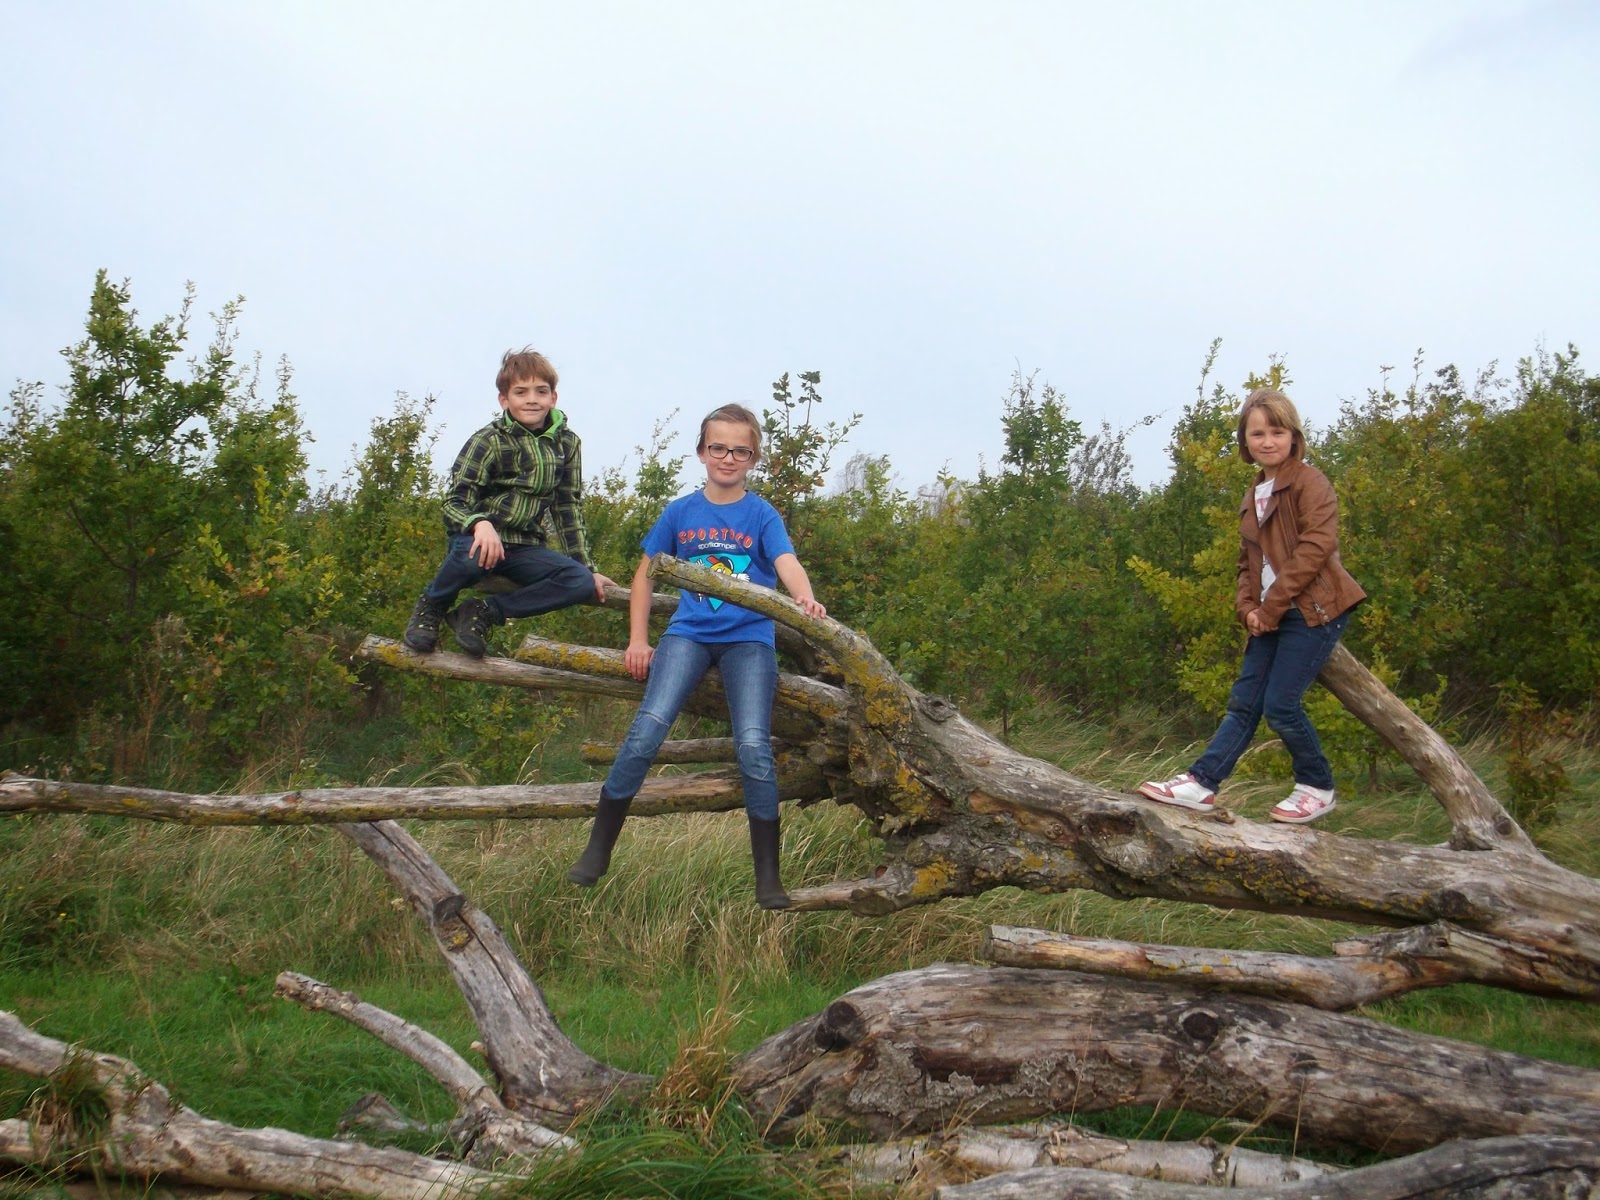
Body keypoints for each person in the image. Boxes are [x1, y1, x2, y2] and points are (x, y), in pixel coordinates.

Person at [567, 403, 826, 909]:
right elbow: (646, 574)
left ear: (753, 457)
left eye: (740, 450)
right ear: (702, 451)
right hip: (688, 634)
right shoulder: (680, 512)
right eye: (718, 447)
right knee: (648, 728)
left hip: (749, 639)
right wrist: (638, 639)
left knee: (753, 743)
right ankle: (599, 849)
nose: (727, 457)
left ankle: (767, 876)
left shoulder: (760, 514)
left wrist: (804, 596)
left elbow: (786, 561)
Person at [1138, 388, 1366, 825]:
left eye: (1276, 432)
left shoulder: (1309, 482)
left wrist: (1272, 607)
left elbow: (1315, 549)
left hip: (1314, 610)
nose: (1267, 441)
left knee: (1281, 704)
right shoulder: (1254, 492)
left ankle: (1316, 786)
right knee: (1244, 702)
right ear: (1245, 441)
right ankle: (1201, 783)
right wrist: (1248, 609)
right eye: (1257, 433)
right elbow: (1248, 562)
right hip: (1270, 614)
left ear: (1293, 436)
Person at [404, 348, 614, 658]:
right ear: (504, 400)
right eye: (521, 391)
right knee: (471, 558)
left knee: (579, 583)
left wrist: (587, 567)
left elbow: (567, 507)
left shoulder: (567, 443)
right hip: (476, 539)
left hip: (524, 546)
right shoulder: (488, 440)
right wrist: (479, 523)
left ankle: (483, 612)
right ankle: (433, 605)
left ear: (553, 398)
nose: (532, 399)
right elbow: (454, 500)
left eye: (541, 391)